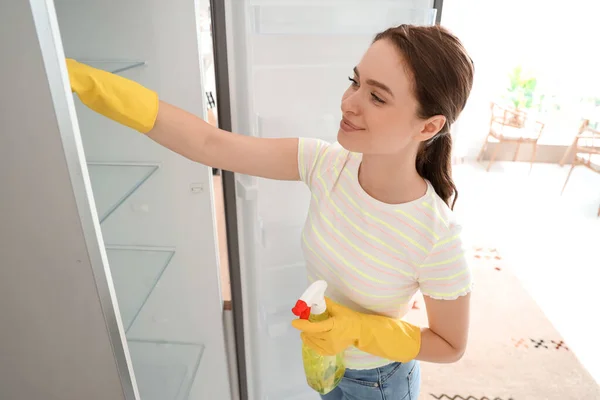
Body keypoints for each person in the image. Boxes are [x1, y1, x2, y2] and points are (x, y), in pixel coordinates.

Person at [66, 23, 474, 400]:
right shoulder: (325, 164)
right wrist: (89, 85)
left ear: (428, 127)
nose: (349, 103)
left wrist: (360, 330)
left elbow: (451, 345)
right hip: (326, 362)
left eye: (377, 96)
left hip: (380, 382)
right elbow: (210, 144)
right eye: (354, 82)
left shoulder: (438, 236)